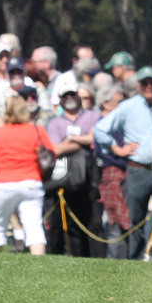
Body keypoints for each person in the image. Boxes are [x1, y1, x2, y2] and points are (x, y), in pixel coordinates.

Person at [93, 67, 152, 260]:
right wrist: (117, 149)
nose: (149, 86)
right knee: (135, 219)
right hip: (137, 170)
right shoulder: (128, 106)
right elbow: (100, 129)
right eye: (145, 83)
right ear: (138, 86)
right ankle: (135, 259)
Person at [0, 95, 49, 255]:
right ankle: (39, 267)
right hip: (31, 182)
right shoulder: (37, 130)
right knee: (34, 227)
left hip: (3, 183)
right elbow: (50, 154)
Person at [45, 88, 102, 257]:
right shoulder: (55, 122)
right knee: (65, 221)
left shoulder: (93, 115)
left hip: (90, 173)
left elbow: (94, 138)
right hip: (64, 175)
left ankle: (94, 256)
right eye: (65, 96)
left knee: (92, 219)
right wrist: (82, 142)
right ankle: (71, 254)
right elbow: (55, 148)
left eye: (72, 94)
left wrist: (70, 140)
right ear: (60, 100)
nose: (69, 98)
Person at [93, 82, 132, 258]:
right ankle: (116, 262)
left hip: (124, 175)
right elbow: (107, 155)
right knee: (116, 220)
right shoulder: (104, 125)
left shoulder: (119, 124)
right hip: (112, 175)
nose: (122, 105)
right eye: (118, 102)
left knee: (126, 219)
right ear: (106, 103)